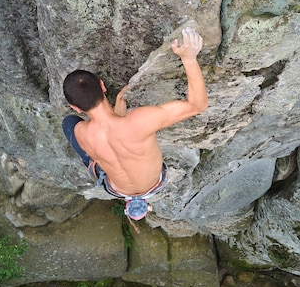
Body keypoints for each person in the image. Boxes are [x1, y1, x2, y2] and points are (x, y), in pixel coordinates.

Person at [62, 27, 208, 220]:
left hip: (117, 189)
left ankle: (128, 193)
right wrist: (189, 58)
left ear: (76, 107)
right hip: (155, 181)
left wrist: (116, 116)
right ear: (103, 85)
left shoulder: (82, 134)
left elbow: (109, 135)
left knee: (68, 124)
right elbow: (197, 105)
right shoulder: (139, 122)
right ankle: (131, 192)